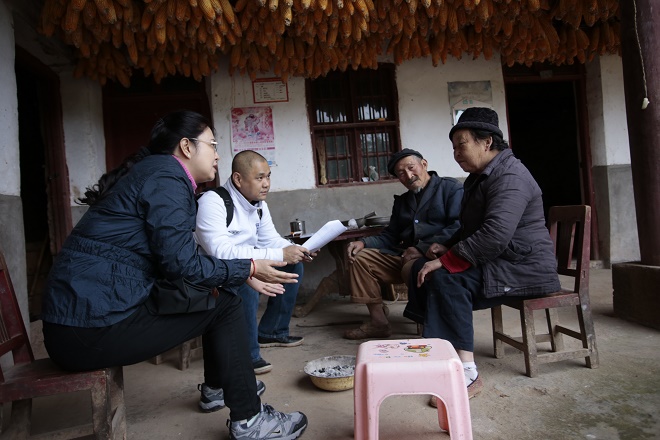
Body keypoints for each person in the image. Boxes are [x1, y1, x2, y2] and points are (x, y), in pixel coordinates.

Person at [40, 110, 308, 440]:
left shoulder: (156, 173)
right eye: (212, 145)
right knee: (227, 305)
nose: (217, 155)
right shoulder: (166, 178)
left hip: (79, 322)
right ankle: (249, 420)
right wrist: (247, 267)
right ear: (186, 146)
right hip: (86, 328)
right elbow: (182, 265)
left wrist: (238, 273)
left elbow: (176, 256)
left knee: (221, 297)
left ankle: (218, 390)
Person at [406, 107, 561, 403]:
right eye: (453, 148)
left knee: (447, 278)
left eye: (461, 145)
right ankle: (442, 355)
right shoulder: (480, 178)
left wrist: (447, 260)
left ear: (486, 142)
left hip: (525, 267)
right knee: (422, 267)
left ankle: (467, 372)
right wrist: (447, 246)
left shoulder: (510, 176)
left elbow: (495, 235)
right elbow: (471, 228)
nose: (456, 154)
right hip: (502, 260)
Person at [195, 150, 311, 375]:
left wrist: (294, 250)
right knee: (244, 277)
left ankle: (272, 331)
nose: (266, 183)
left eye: (268, 176)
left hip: (246, 263)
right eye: (259, 178)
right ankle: (248, 355)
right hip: (213, 271)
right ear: (238, 179)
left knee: (294, 265)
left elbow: (270, 240)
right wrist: (278, 254)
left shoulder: (258, 205)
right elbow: (220, 251)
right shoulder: (213, 201)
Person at [343, 148, 463, 339]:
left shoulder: (450, 189)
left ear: (424, 164)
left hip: (434, 257)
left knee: (413, 267)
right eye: (401, 173)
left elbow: (459, 226)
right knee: (360, 259)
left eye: (411, 167)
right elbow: (390, 235)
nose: (408, 175)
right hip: (403, 254)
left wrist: (421, 248)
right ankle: (379, 323)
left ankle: (428, 323)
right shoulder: (403, 201)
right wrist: (363, 243)